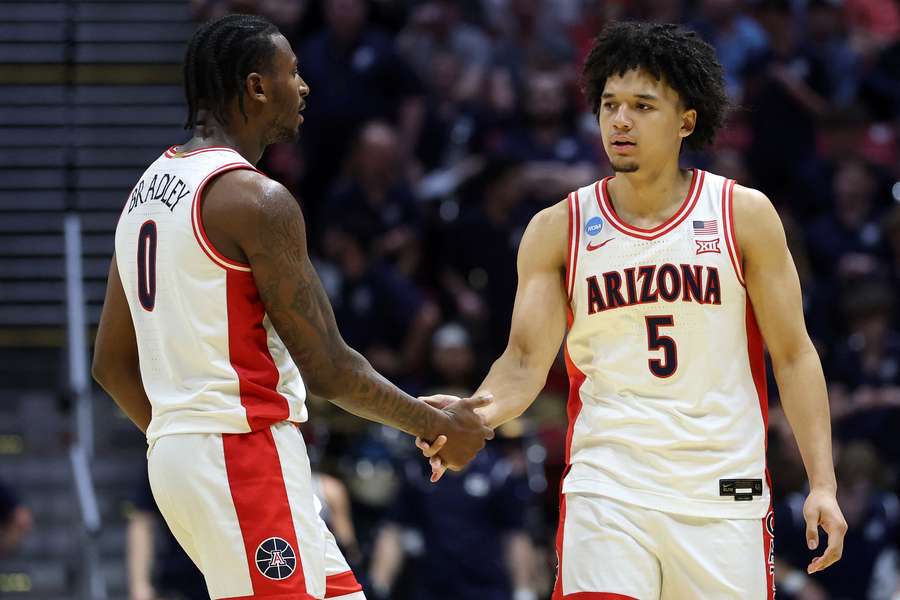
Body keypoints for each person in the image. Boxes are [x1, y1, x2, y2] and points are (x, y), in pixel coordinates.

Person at [420, 21, 848, 599]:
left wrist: (822, 481)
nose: (620, 120)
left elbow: (794, 356)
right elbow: (522, 360)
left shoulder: (742, 214)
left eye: (643, 106)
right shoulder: (557, 228)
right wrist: (473, 413)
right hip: (609, 486)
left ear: (685, 121)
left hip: (722, 489)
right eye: (609, 105)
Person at [90, 14, 492, 600]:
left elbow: (109, 363)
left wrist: (183, 436)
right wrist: (435, 425)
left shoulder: (143, 193)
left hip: (185, 457)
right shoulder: (257, 200)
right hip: (242, 453)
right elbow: (329, 367)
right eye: (292, 72)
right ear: (256, 87)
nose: (303, 87)